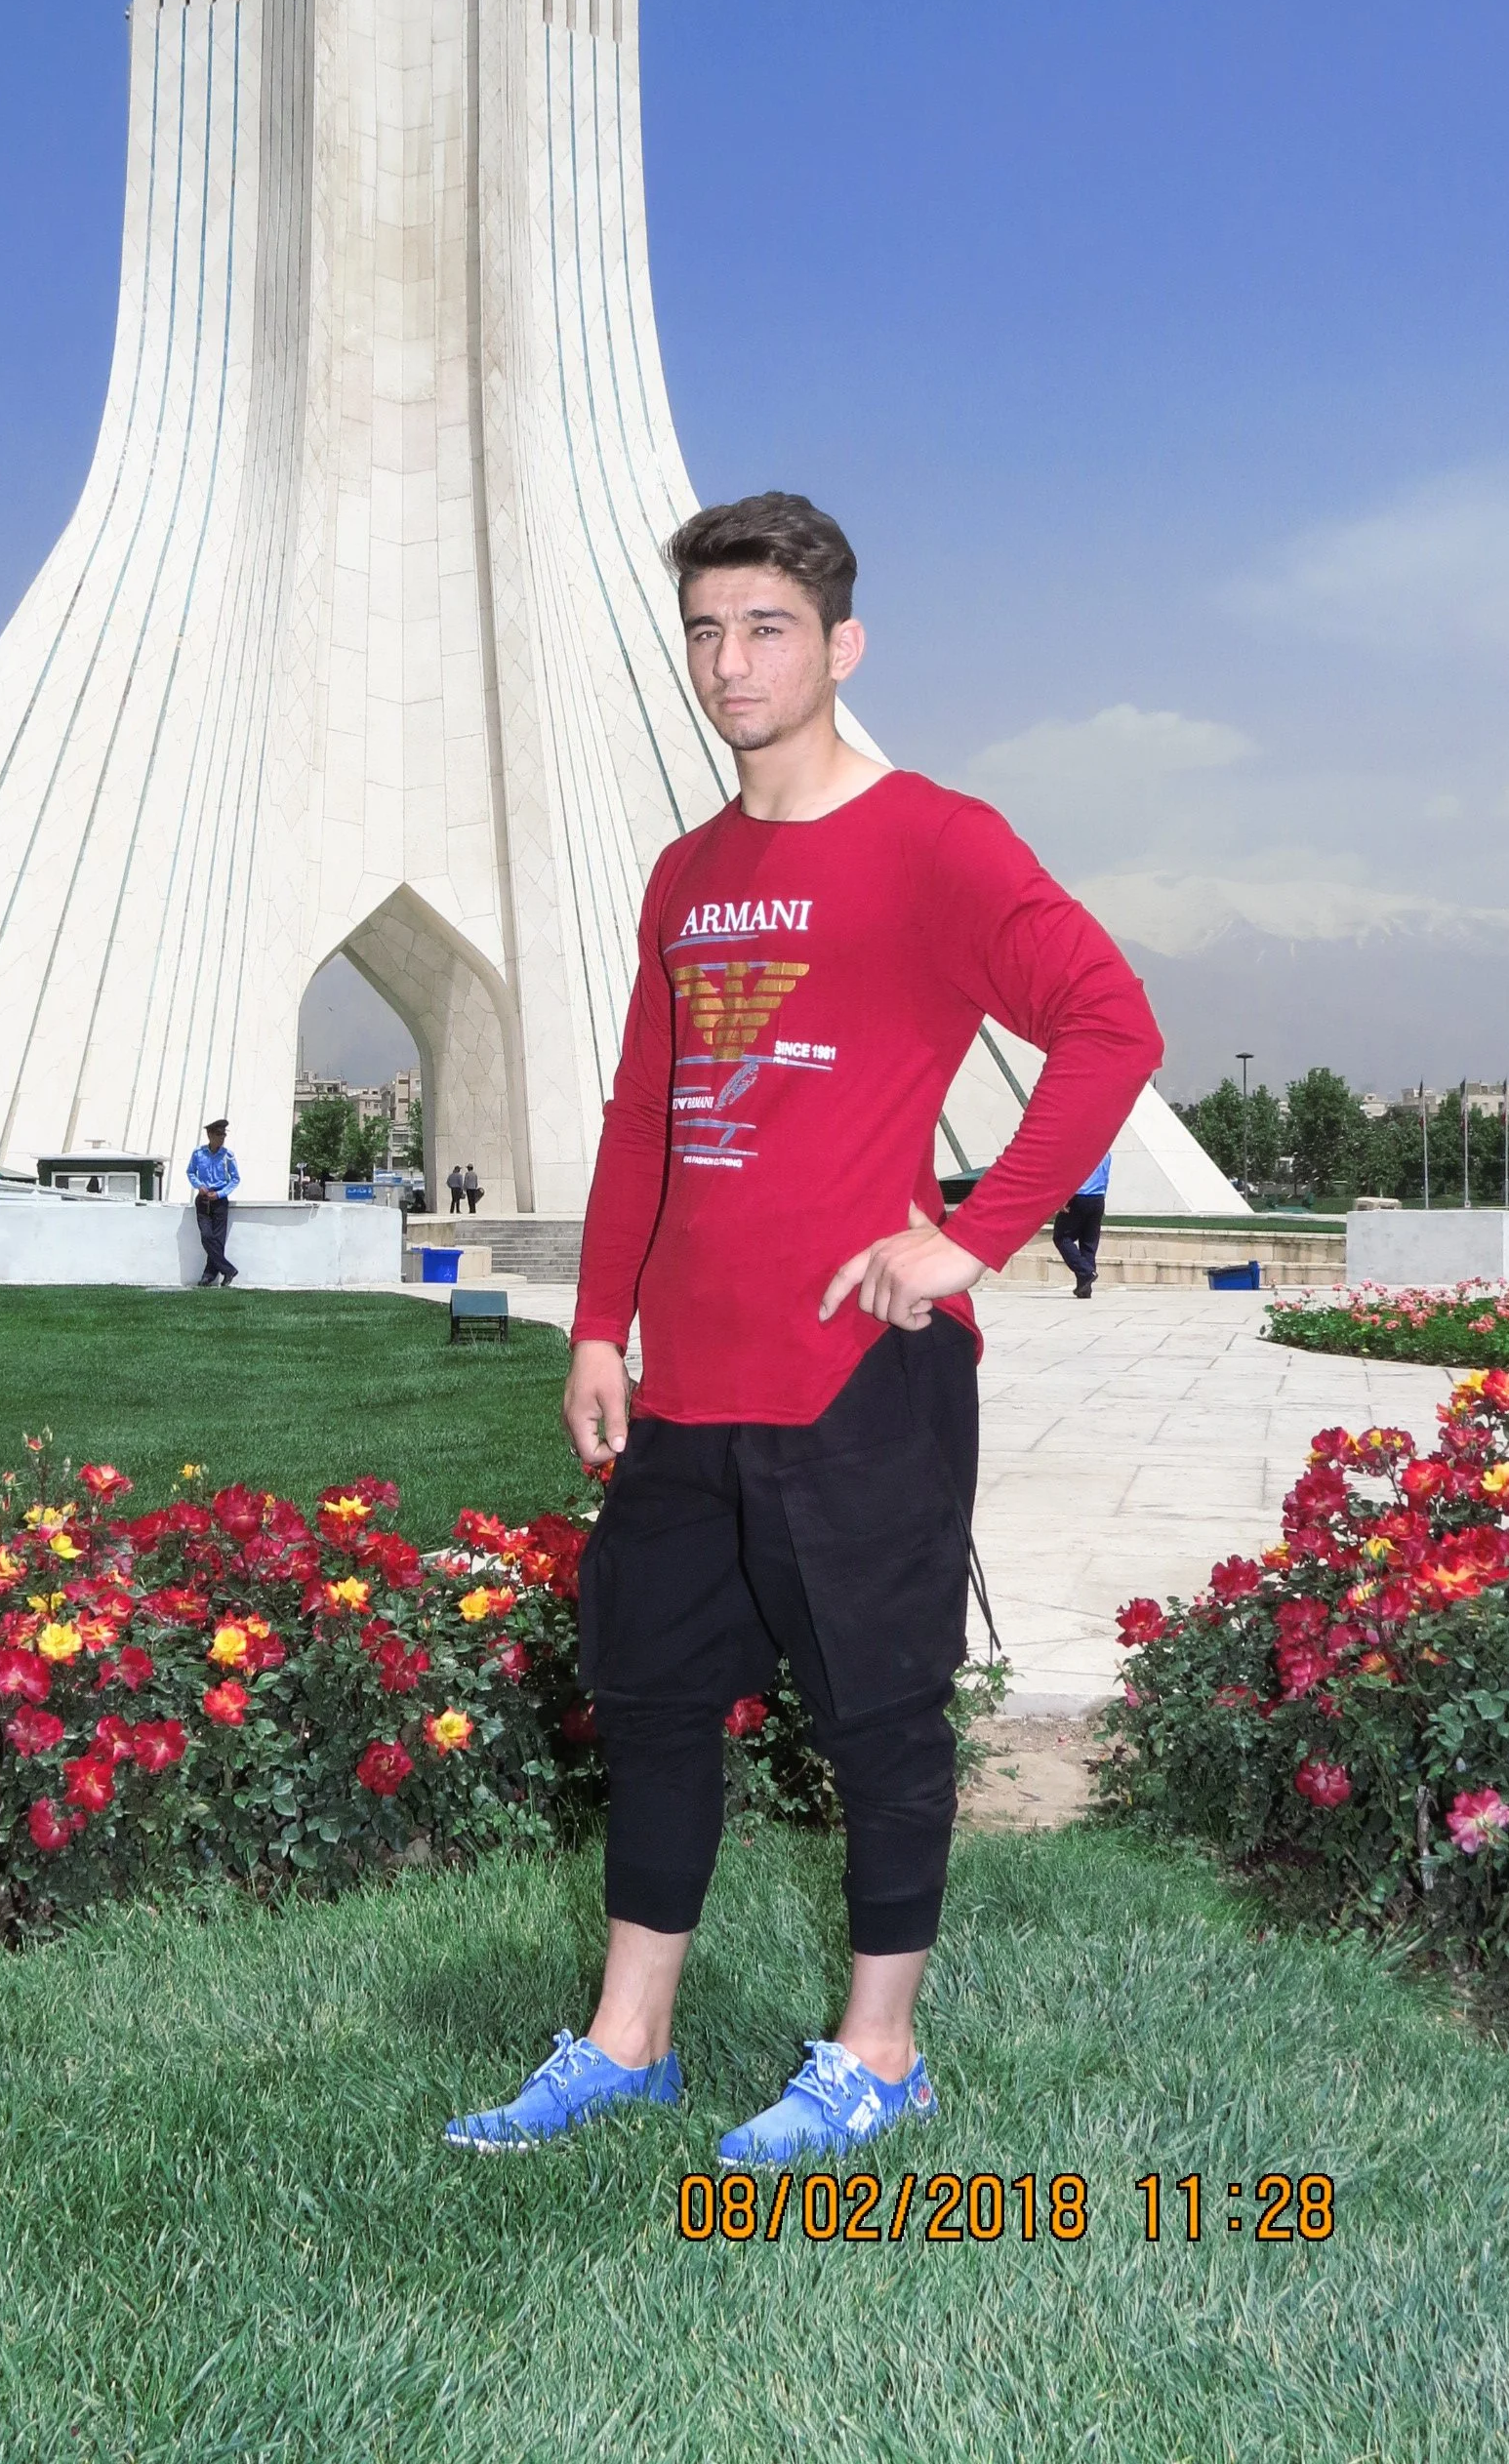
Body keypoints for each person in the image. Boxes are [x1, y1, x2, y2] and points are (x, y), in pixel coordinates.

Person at [443, 493, 1162, 2162]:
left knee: (878, 1714)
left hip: (859, 1379)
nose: (728, 659)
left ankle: (881, 2050)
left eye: (764, 626)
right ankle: (629, 2043)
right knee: (651, 1702)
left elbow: (1108, 1027)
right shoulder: (687, 874)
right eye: (704, 627)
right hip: (687, 1382)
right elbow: (646, 1113)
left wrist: (966, 1238)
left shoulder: (935, 838)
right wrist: (597, 1327)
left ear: (841, 646)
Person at [185, 1118, 239, 1286]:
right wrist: (198, 1185)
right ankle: (228, 1269)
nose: (221, 1138)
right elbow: (190, 1172)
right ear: (209, 1135)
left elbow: (235, 1179)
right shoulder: (198, 1153)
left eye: (223, 1134)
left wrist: (221, 1194)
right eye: (218, 1134)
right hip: (203, 1199)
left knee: (218, 1239)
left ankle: (208, 1276)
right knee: (207, 1236)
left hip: (219, 1200)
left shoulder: (227, 1155)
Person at [1052, 1153, 1112, 1298]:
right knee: (1088, 1243)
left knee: (1061, 1237)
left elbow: (1073, 1174)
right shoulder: (1106, 1153)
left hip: (1080, 1196)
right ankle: (1085, 1287)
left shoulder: (1083, 1150)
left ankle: (1085, 1272)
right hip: (1098, 1198)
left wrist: (1064, 1198)